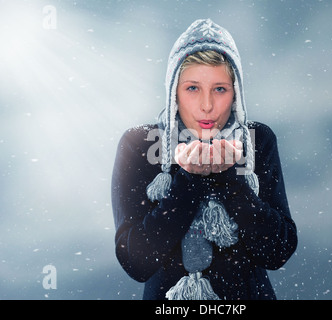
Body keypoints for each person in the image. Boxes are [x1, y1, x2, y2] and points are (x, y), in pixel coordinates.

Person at [111, 18, 297, 300]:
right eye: (193, 88)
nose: (207, 105)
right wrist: (188, 179)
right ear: (174, 91)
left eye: (219, 89)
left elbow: (277, 251)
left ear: (236, 93)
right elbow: (137, 262)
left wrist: (230, 179)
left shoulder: (257, 139)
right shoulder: (140, 145)